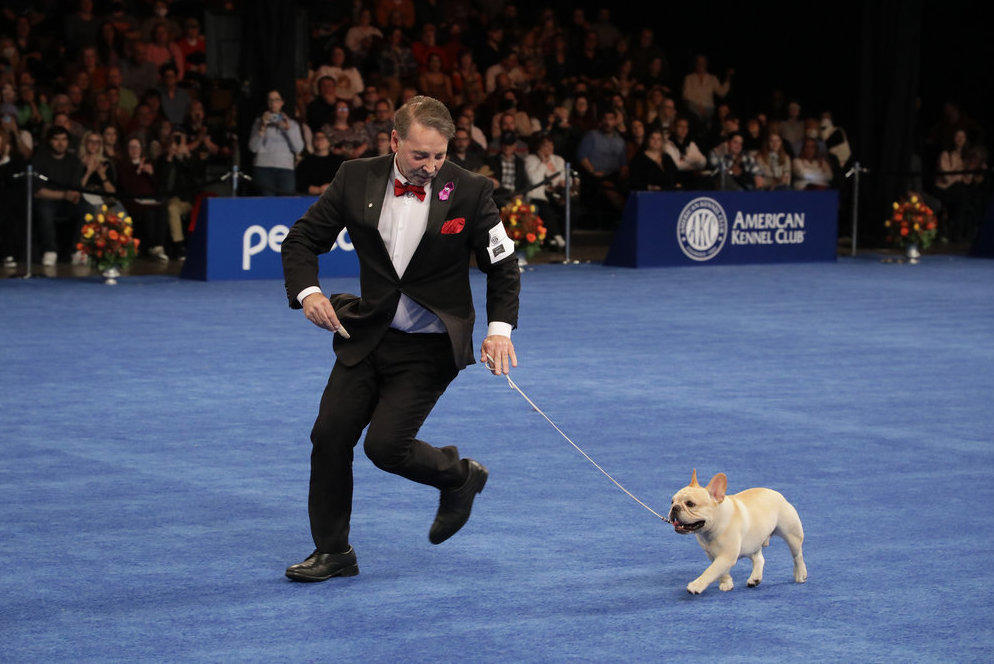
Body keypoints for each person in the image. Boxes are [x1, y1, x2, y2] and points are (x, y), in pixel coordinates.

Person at [279, 95, 520, 581]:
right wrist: (308, 293)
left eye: (439, 155)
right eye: (419, 155)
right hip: (369, 333)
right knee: (329, 436)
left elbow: (503, 267)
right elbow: (302, 239)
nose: (431, 166)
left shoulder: (471, 191)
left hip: (429, 347)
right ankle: (333, 552)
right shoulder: (355, 176)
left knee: (385, 448)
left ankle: (459, 475)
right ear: (394, 141)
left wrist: (498, 331)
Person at [32, 127, 83, 266]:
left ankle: (77, 251)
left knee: (86, 208)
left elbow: (76, 187)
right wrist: (63, 195)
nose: (60, 143)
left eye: (64, 139)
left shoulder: (74, 161)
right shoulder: (40, 159)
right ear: (49, 141)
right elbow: (39, 191)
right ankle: (50, 251)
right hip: (47, 201)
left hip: (67, 203)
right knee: (45, 209)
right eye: (56, 139)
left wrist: (72, 196)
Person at [249, 90, 304, 196]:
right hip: (263, 168)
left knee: (286, 204)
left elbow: (298, 148)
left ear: (282, 102)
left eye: (276, 99)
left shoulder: (292, 124)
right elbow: (253, 148)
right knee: (266, 204)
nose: (273, 103)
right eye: (270, 100)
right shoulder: (259, 122)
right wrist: (262, 128)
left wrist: (287, 129)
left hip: (285, 168)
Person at [524, 134, 566, 248]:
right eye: (545, 146)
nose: (549, 148)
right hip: (537, 195)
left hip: (556, 194)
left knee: (570, 207)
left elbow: (561, 180)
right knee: (543, 206)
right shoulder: (530, 159)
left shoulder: (558, 160)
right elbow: (535, 181)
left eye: (551, 145)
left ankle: (557, 238)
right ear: (539, 147)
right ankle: (557, 238)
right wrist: (543, 162)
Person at [681, 55, 732, 124]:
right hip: (693, 107)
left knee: (711, 118)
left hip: (709, 108)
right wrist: (698, 106)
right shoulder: (689, 78)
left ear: (706, 64)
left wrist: (728, 78)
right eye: (699, 62)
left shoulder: (712, 78)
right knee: (694, 114)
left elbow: (722, 92)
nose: (701, 64)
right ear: (695, 64)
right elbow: (686, 95)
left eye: (703, 62)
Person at [295, 130, 343, 195]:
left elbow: (344, 180)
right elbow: (300, 182)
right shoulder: (305, 162)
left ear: (329, 142)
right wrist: (313, 189)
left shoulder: (338, 161)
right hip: (310, 197)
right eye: (316, 138)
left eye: (323, 138)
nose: (319, 140)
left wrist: (331, 187)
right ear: (313, 142)